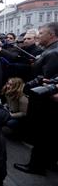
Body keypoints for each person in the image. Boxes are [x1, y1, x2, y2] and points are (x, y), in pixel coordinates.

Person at [14, 22, 58, 175]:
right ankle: (49, 162)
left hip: (45, 103)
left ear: (51, 35)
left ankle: (36, 166)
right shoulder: (49, 50)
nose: (39, 36)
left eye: (41, 33)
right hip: (46, 102)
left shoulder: (53, 53)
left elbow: (46, 79)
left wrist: (28, 85)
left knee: (42, 135)